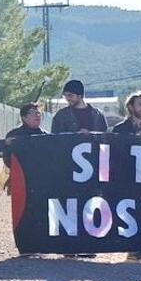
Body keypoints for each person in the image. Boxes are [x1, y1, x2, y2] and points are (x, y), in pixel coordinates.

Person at [51, 79, 106, 259]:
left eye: (71, 95)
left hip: (93, 168)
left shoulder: (97, 115)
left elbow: (106, 140)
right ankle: (70, 245)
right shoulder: (61, 116)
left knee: (90, 204)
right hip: (69, 168)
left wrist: (91, 136)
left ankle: (89, 244)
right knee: (70, 205)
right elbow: (55, 140)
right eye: (66, 95)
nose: (68, 98)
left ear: (80, 95)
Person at [112, 91, 141, 262]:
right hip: (127, 179)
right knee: (129, 212)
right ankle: (132, 248)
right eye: (140, 104)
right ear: (131, 107)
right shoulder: (120, 129)